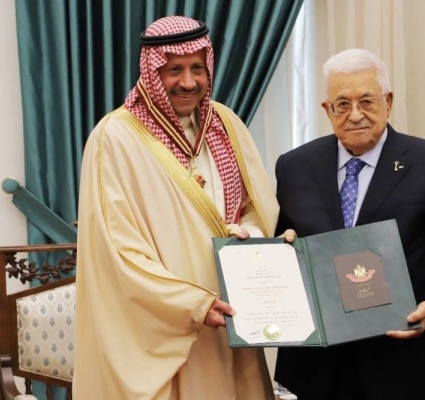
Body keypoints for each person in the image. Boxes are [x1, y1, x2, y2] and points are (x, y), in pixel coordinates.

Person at [74, 16, 280, 399]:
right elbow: (116, 249)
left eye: (197, 68)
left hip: (231, 317)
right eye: (174, 70)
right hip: (160, 330)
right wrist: (192, 304)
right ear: (152, 71)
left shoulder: (226, 124)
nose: (189, 82)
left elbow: (256, 206)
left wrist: (250, 237)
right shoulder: (114, 138)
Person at [273, 49, 425, 399]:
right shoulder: (294, 167)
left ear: (388, 101)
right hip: (320, 368)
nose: (355, 115)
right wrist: (278, 250)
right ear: (327, 110)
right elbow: (288, 242)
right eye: (342, 104)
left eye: (367, 101)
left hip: (407, 361)